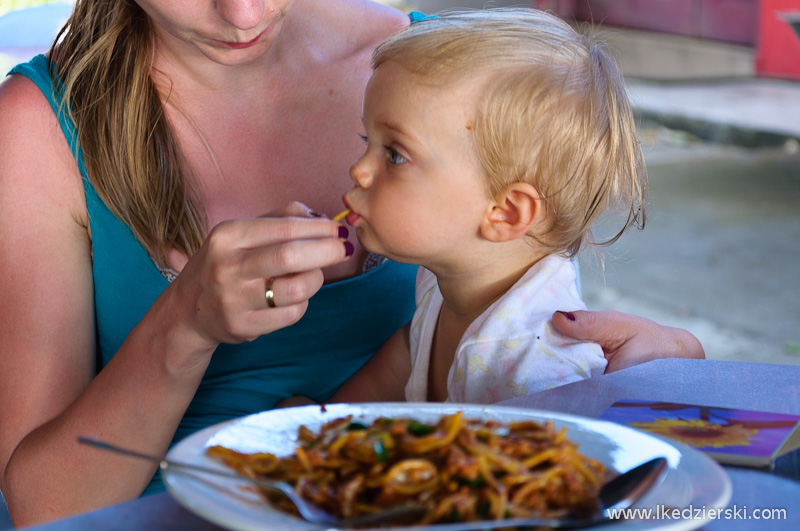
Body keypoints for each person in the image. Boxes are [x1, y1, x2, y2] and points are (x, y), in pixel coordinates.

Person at [0, 0, 702, 526]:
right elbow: (44, 510)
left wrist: (669, 369)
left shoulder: (435, 71)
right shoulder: (40, 128)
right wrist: (184, 323)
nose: (244, 13)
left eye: (388, 152)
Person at [316, 8, 640, 405]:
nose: (359, 170)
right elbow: (407, 351)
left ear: (505, 213)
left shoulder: (539, 371)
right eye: (367, 139)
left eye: (395, 155)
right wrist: (324, 420)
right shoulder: (443, 280)